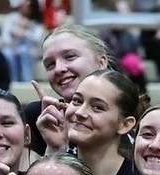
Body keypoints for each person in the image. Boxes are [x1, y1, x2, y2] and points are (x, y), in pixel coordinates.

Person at [37, 68, 140, 175]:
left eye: (97, 107)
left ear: (125, 124)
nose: (79, 112)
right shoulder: (58, 161)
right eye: (77, 101)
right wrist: (55, 150)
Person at [31, 24, 110, 155]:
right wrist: (55, 149)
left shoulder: (132, 115)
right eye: (50, 64)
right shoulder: (37, 117)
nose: (58, 69)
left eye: (70, 57)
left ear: (101, 63)